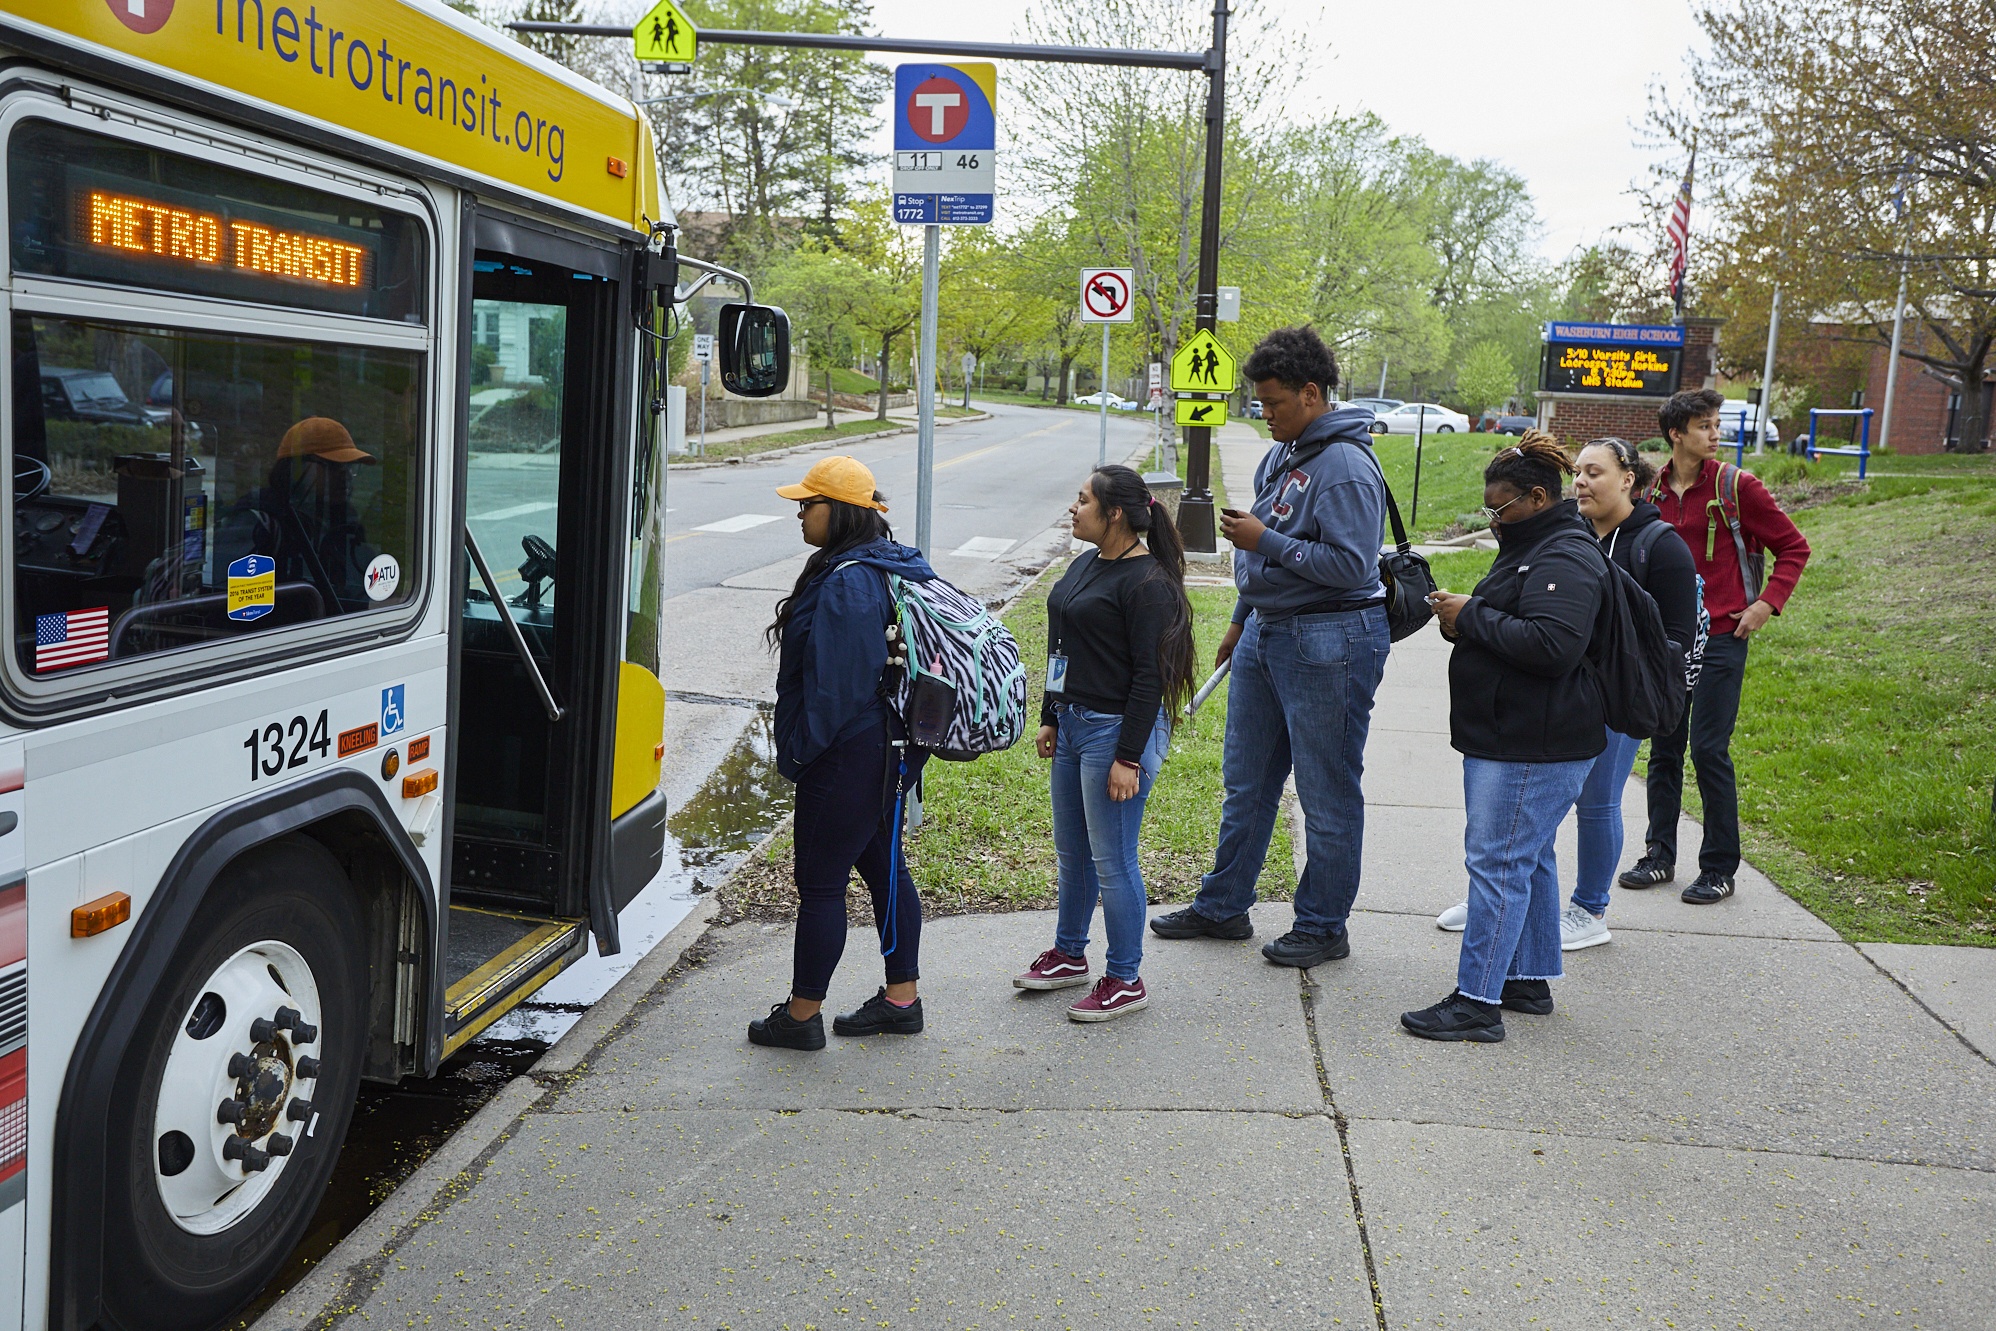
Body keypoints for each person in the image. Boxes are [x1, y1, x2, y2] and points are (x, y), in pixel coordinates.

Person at [1149, 326, 1391, 968]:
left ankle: (1322, 925)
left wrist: (1264, 543)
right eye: (1260, 402)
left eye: (1274, 402)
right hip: (1266, 631)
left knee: (1327, 789)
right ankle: (1224, 905)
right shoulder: (1280, 455)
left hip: (1331, 637)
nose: (1265, 413)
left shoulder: (1345, 465)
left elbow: (1351, 565)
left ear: (1311, 395)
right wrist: (1238, 620)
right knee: (1247, 781)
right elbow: (1268, 547)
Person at [1432, 437, 1701, 950]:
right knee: (1527, 830)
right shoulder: (1560, 535)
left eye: (1594, 472)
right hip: (1559, 695)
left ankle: (1588, 907)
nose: (1581, 481)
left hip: (1611, 690)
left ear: (1628, 479)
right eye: (1577, 471)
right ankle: (1507, 904)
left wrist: (1615, 676)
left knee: (1596, 801)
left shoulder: (1654, 544)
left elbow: (1668, 638)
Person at [1407, 432, 1610, 1042]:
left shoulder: (1564, 556)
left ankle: (1476, 1002)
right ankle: (1526, 978)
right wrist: (1467, 623)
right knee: (1531, 858)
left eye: (1500, 508)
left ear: (1538, 496)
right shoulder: (1538, 543)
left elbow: (1554, 645)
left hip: (1531, 741)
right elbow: (1518, 625)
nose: (1493, 520)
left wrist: (1472, 616)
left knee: (1497, 864)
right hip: (1518, 734)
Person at [748, 456, 935, 1052]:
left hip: (850, 753)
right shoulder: (875, 565)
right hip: (884, 748)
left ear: (842, 511)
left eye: (809, 504)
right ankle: (901, 1000)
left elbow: (837, 687)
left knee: (822, 885)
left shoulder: (850, 580)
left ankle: (802, 1016)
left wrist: (802, 753)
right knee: (885, 871)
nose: (800, 513)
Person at [1015, 465, 1196, 1020]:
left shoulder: (1149, 585)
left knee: (1114, 861)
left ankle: (1125, 977)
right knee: (1075, 856)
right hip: (1072, 725)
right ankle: (1071, 954)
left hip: (1115, 732)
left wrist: (1127, 758)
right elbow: (1061, 646)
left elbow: (1151, 678)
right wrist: (1050, 714)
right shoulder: (1085, 564)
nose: (1074, 508)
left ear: (1114, 513)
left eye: (1083, 499)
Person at [1620, 388, 1811, 905]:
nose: (1715, 433)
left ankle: (1719, 867)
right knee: (1663, 746)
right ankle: (1659, 854)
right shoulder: (1651, 491)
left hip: (1725, 634)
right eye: (1704, 425)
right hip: (1667, 640)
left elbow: (1793, 547)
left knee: (1708, 749)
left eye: (1716, 423)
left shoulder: (1737, 486)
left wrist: (1767, 603)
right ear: (1675, 434)